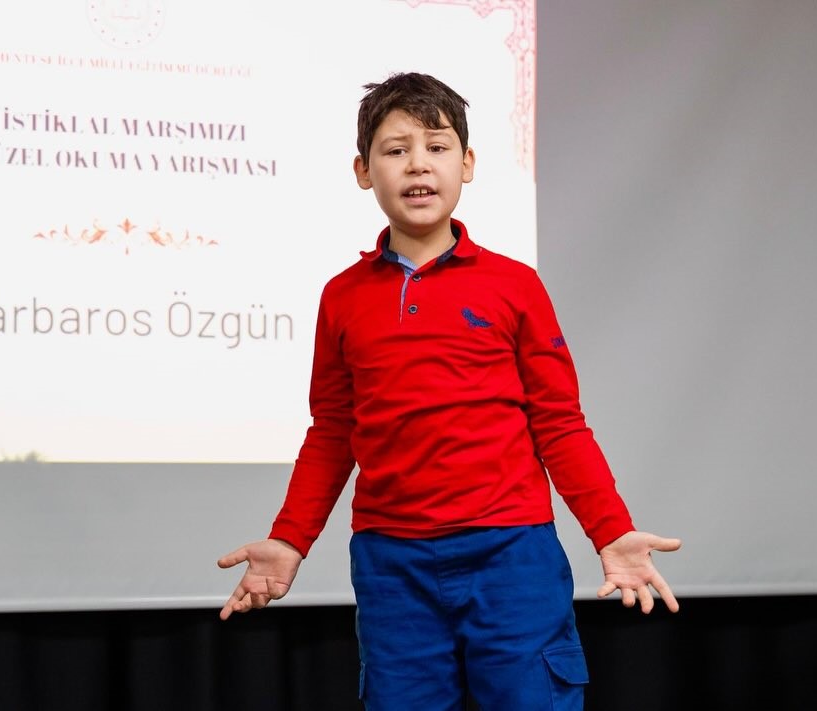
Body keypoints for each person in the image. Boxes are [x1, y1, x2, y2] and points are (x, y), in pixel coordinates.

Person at [218, 71, 680, 709]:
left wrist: (611, 531)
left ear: (467, 165)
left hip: (512, 553)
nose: (418, 165)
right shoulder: (342, 296)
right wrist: (290, 540)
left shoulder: (515, 285)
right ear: (362, 170)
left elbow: (560, 423)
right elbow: (332, 430)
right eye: (395, 148)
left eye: (436, 147)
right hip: (392, 563)